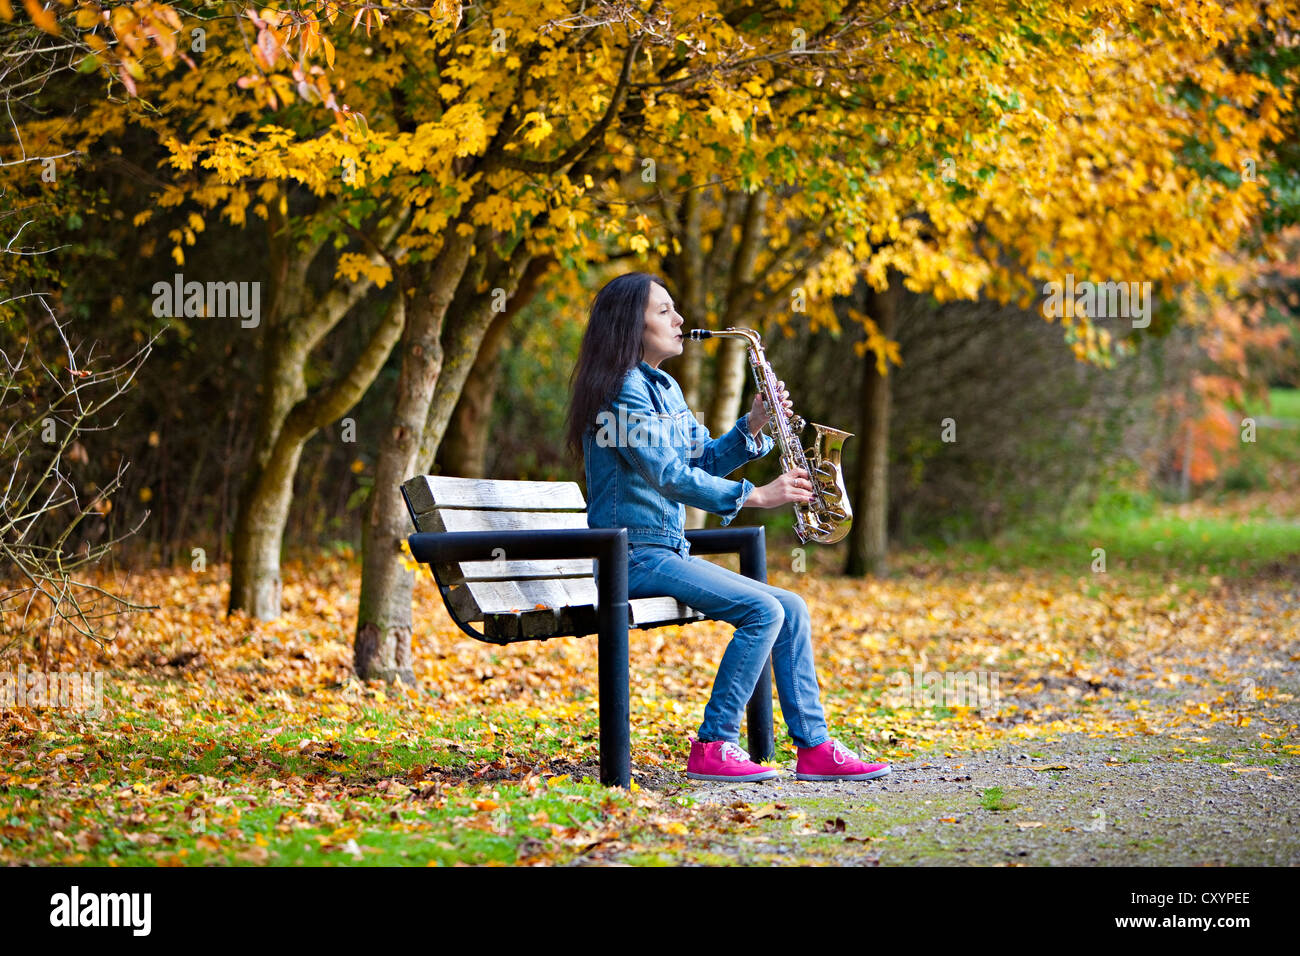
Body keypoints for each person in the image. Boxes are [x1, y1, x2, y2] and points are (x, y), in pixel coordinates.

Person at [564, 271, 891, 783]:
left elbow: (704, 459)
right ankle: (714, 744)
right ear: (631, 325)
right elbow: (670, 476)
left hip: (666, 552)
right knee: (763, 609)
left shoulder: (665, 387)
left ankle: (815, 748)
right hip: (631, 556)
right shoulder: (620, 392)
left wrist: (754, 424)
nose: (680, 320)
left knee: (791, 606)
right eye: (664, 311)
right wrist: (756, 496)